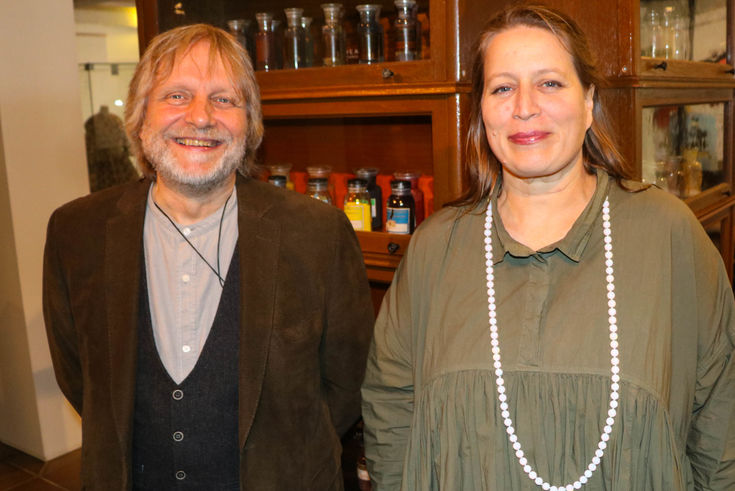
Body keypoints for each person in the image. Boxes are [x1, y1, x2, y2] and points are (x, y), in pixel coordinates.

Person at [361, 5, 735, 490]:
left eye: (550, 83)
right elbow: (390, 414)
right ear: (482, 111)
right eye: (502, 87)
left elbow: (720, 423)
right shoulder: (436, 247)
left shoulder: (668, 235)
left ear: (589, 101)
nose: (524, 107)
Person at [43, 24, 374, 490]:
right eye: (176, 96)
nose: (200, 118)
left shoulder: (318, 233)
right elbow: (81, 378)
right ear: (140, 118)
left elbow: (347, 384)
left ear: (250, 124)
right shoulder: (75, 232)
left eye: (224, 99)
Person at [84, 104, 139, 191]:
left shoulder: (93, 121)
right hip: (108, 163)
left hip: (107, 163)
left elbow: (89, 145)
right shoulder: (114, 120)